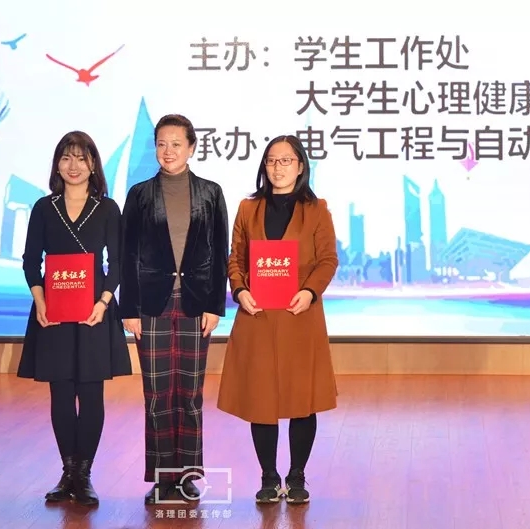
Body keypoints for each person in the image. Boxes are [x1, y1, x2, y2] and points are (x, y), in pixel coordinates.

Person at [216, 135, 339, 505]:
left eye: (286, 160)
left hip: (299, 315)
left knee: (303, 398)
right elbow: (235, 257)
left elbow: (327, 260)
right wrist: (239, 289)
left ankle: (297, 475)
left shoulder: (317, 209)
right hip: (257, 315)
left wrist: (310, 292)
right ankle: (269, 476)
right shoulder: (247, 208)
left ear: (301, 166)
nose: (278, 167)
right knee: (261, 398)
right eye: (271, 160)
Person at [17, 131, 133, 506]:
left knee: (91, 393)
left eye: (82, 158)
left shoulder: (107, 208)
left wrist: (104, 301)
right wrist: (40, 300)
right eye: (66, 158)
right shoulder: (43, 208)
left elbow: (117, 262)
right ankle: (67, 472)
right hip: (53, 313)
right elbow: (30, 260)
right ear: (57, 165)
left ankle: (84, 475)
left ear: (93, 165)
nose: (74, 165)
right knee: (62, 394)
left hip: (94, 313)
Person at [120, 114, 229, 505]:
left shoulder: (211, 193)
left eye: (176, 144)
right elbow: (127, 254)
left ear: (192, 147)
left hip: (196, 304)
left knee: (190, 394)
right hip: (151, 304)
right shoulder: (139, 195)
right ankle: (162, 478)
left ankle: (187, 476)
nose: (168, 151)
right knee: (157, 394)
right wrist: (128, 309)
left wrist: (216, 305)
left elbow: (220, 253)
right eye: (162, 144)